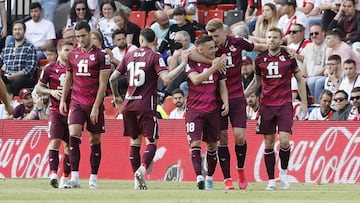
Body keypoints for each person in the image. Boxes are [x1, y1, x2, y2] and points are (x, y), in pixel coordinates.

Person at [108, 28, 186, 190]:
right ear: (154, 41)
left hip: (128, 104)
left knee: (134, 142)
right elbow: (166, 79)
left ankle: (137, 182)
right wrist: (183, 65)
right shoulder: (155, 56)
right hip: (146, 105)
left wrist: (117, 96)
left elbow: (113, 78)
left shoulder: (129, 55)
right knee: (151, 141)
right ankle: (142, 170)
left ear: (141, 40)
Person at [195, 19, 263, 190]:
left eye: (216, 36)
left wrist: (283, 48)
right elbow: (188, 54)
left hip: (237, 97)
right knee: (222, 139)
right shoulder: (210, 49)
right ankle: (227, 178)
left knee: (240, 136)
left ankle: (240, 169)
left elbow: (258, 47)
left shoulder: (237, 42)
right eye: (210, 36)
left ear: (224, 32)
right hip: (216, 99)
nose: (213, 40)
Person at [245, 26, 308, 190]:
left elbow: (300, 80)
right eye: (269, 37)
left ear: (281, 40)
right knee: (269, 142)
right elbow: (257, 82)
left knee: (285, 141)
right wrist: (243, 95)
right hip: (266, 105)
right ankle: (271, 180)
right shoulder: (259, 59)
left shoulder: (289, 57)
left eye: (275, 37)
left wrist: (305, 104)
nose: (271, 40)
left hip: (285, 105)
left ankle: (284, 174)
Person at [59, 21, 112, 189]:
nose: (80, 39)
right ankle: (75, 178)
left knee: (94, 139)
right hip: (76, 102)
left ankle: (93, 178)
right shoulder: (73, 54)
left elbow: (103, 84)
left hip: (93, 102)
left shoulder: (101, 55)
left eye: (83, 35)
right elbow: (68, 79)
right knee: (73, 135)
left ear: (90, 34)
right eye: (78, 36)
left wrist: (97, 106)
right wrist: (62, 100)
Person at [184, 35, 228, 190]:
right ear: (200, 50)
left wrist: (226, 103)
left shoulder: (218, 64)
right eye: (210, 48)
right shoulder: (190, 63)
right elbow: (196, 80)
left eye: (214, 47)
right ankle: (198, 177)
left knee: (211, 146)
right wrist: (212, 67)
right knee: (195, 143)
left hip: (212, 110)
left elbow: (222, 86)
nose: (213, 50)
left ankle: (209, 178)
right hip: (194, 110)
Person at [35, 41, 74, 188]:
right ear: (59, 51)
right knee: (55, 141)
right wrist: (51, 91)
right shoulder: (50, 68)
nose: (69, 53)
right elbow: (39, 87)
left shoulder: (77, 68)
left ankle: (65, 177)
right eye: (66, 50)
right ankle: (52, 174)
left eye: (71, 50)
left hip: (73, 111)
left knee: (70, 146)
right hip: (56, 111)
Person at [0, 20, 37, 96]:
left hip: (23, 78)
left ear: (24, 31)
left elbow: (30, 68)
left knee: (17, 82)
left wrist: (15, 75)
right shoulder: (7, 47)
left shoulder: (29, 47)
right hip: (7, 76)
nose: (17, 32)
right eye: (15, 29)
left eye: (20, 29)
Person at [302, 23, 327, 103]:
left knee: (313, 81)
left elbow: (327, 65)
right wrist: (304, 76)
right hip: (310, 77)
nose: (313, 36)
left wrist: (314, 76)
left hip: (323, 76)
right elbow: (304, 63)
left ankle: (318, 104)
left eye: (316, 33)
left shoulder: (328, 45)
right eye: (311, 34)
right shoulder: (308, 46)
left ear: (323, 33)